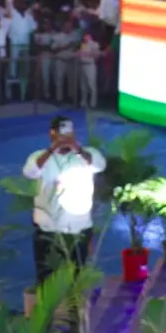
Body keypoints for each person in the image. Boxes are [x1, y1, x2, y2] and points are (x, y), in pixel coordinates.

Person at [24, 116, 105, 282]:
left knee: (77, 280)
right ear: (51, 134)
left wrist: (77, 149)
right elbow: (31, 172)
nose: (66, 139)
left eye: (70, 134)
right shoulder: (39, 156)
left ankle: (74, 308)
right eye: (62, 134)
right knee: (47, 280)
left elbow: (99, 165)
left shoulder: (87, 154)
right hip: (48, 231)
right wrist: (51, 150)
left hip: (78, 229)